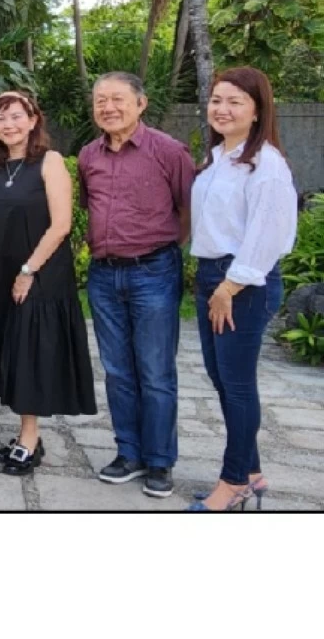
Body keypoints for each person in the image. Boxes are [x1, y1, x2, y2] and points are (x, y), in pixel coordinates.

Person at [79, 72, 195, 499]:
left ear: (141, 104)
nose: (108, 107)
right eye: (101, 100)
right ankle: (128, 453)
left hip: (154, 272)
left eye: (117, 99)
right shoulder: (89, 155)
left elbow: (188, 208)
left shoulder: (169, 151)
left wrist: (162, 251)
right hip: (103, 275)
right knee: (117, 370)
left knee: (155, 371)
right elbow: (89, 205)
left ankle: (160, 460)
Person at [188, 67, 297, 512]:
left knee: (236, 385)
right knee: (222, 380)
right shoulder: (218, 158)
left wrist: (229, 286)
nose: (223, 109)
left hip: (242, 283)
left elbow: (269, 233)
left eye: (235, 101)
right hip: (212, 275)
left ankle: (233, 481)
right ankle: (251, 472)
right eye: (217, 100)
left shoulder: (266, 165)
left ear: (257, 110)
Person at [0, 91, 96, 474]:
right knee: (7, 351)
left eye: (16, 116)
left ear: (32, 120)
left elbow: (61, 225)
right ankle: (24, 434)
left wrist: (28, 272)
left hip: (40, 272)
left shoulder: (50, 161)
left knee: (29, 356)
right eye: (1, 118)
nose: (9, 124)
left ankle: (29, 438)